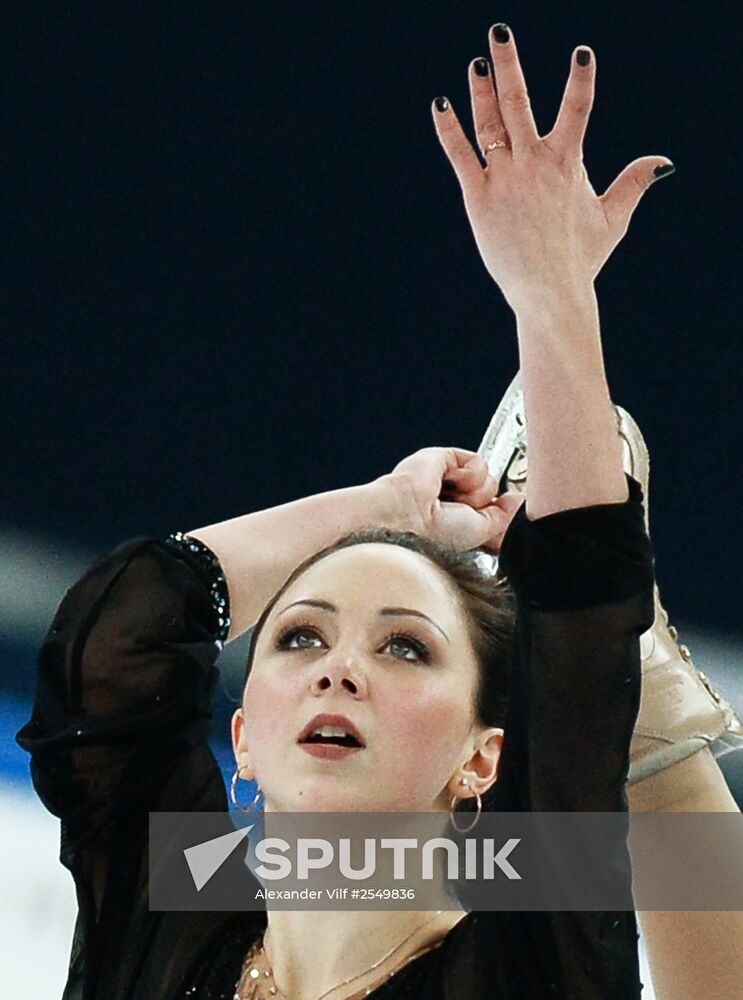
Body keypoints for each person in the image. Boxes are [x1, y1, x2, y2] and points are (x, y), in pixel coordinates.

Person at [15, 21, 742, 1000]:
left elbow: (575, 615)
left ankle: (641, 706)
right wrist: (383, 507)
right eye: (299, 638)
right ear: (239, 738)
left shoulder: (521, 959)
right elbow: (118, 639)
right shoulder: (165, 918)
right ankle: (637, 699)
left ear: (483, 754)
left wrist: (554, 299)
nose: (340, 669)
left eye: (404, 645)